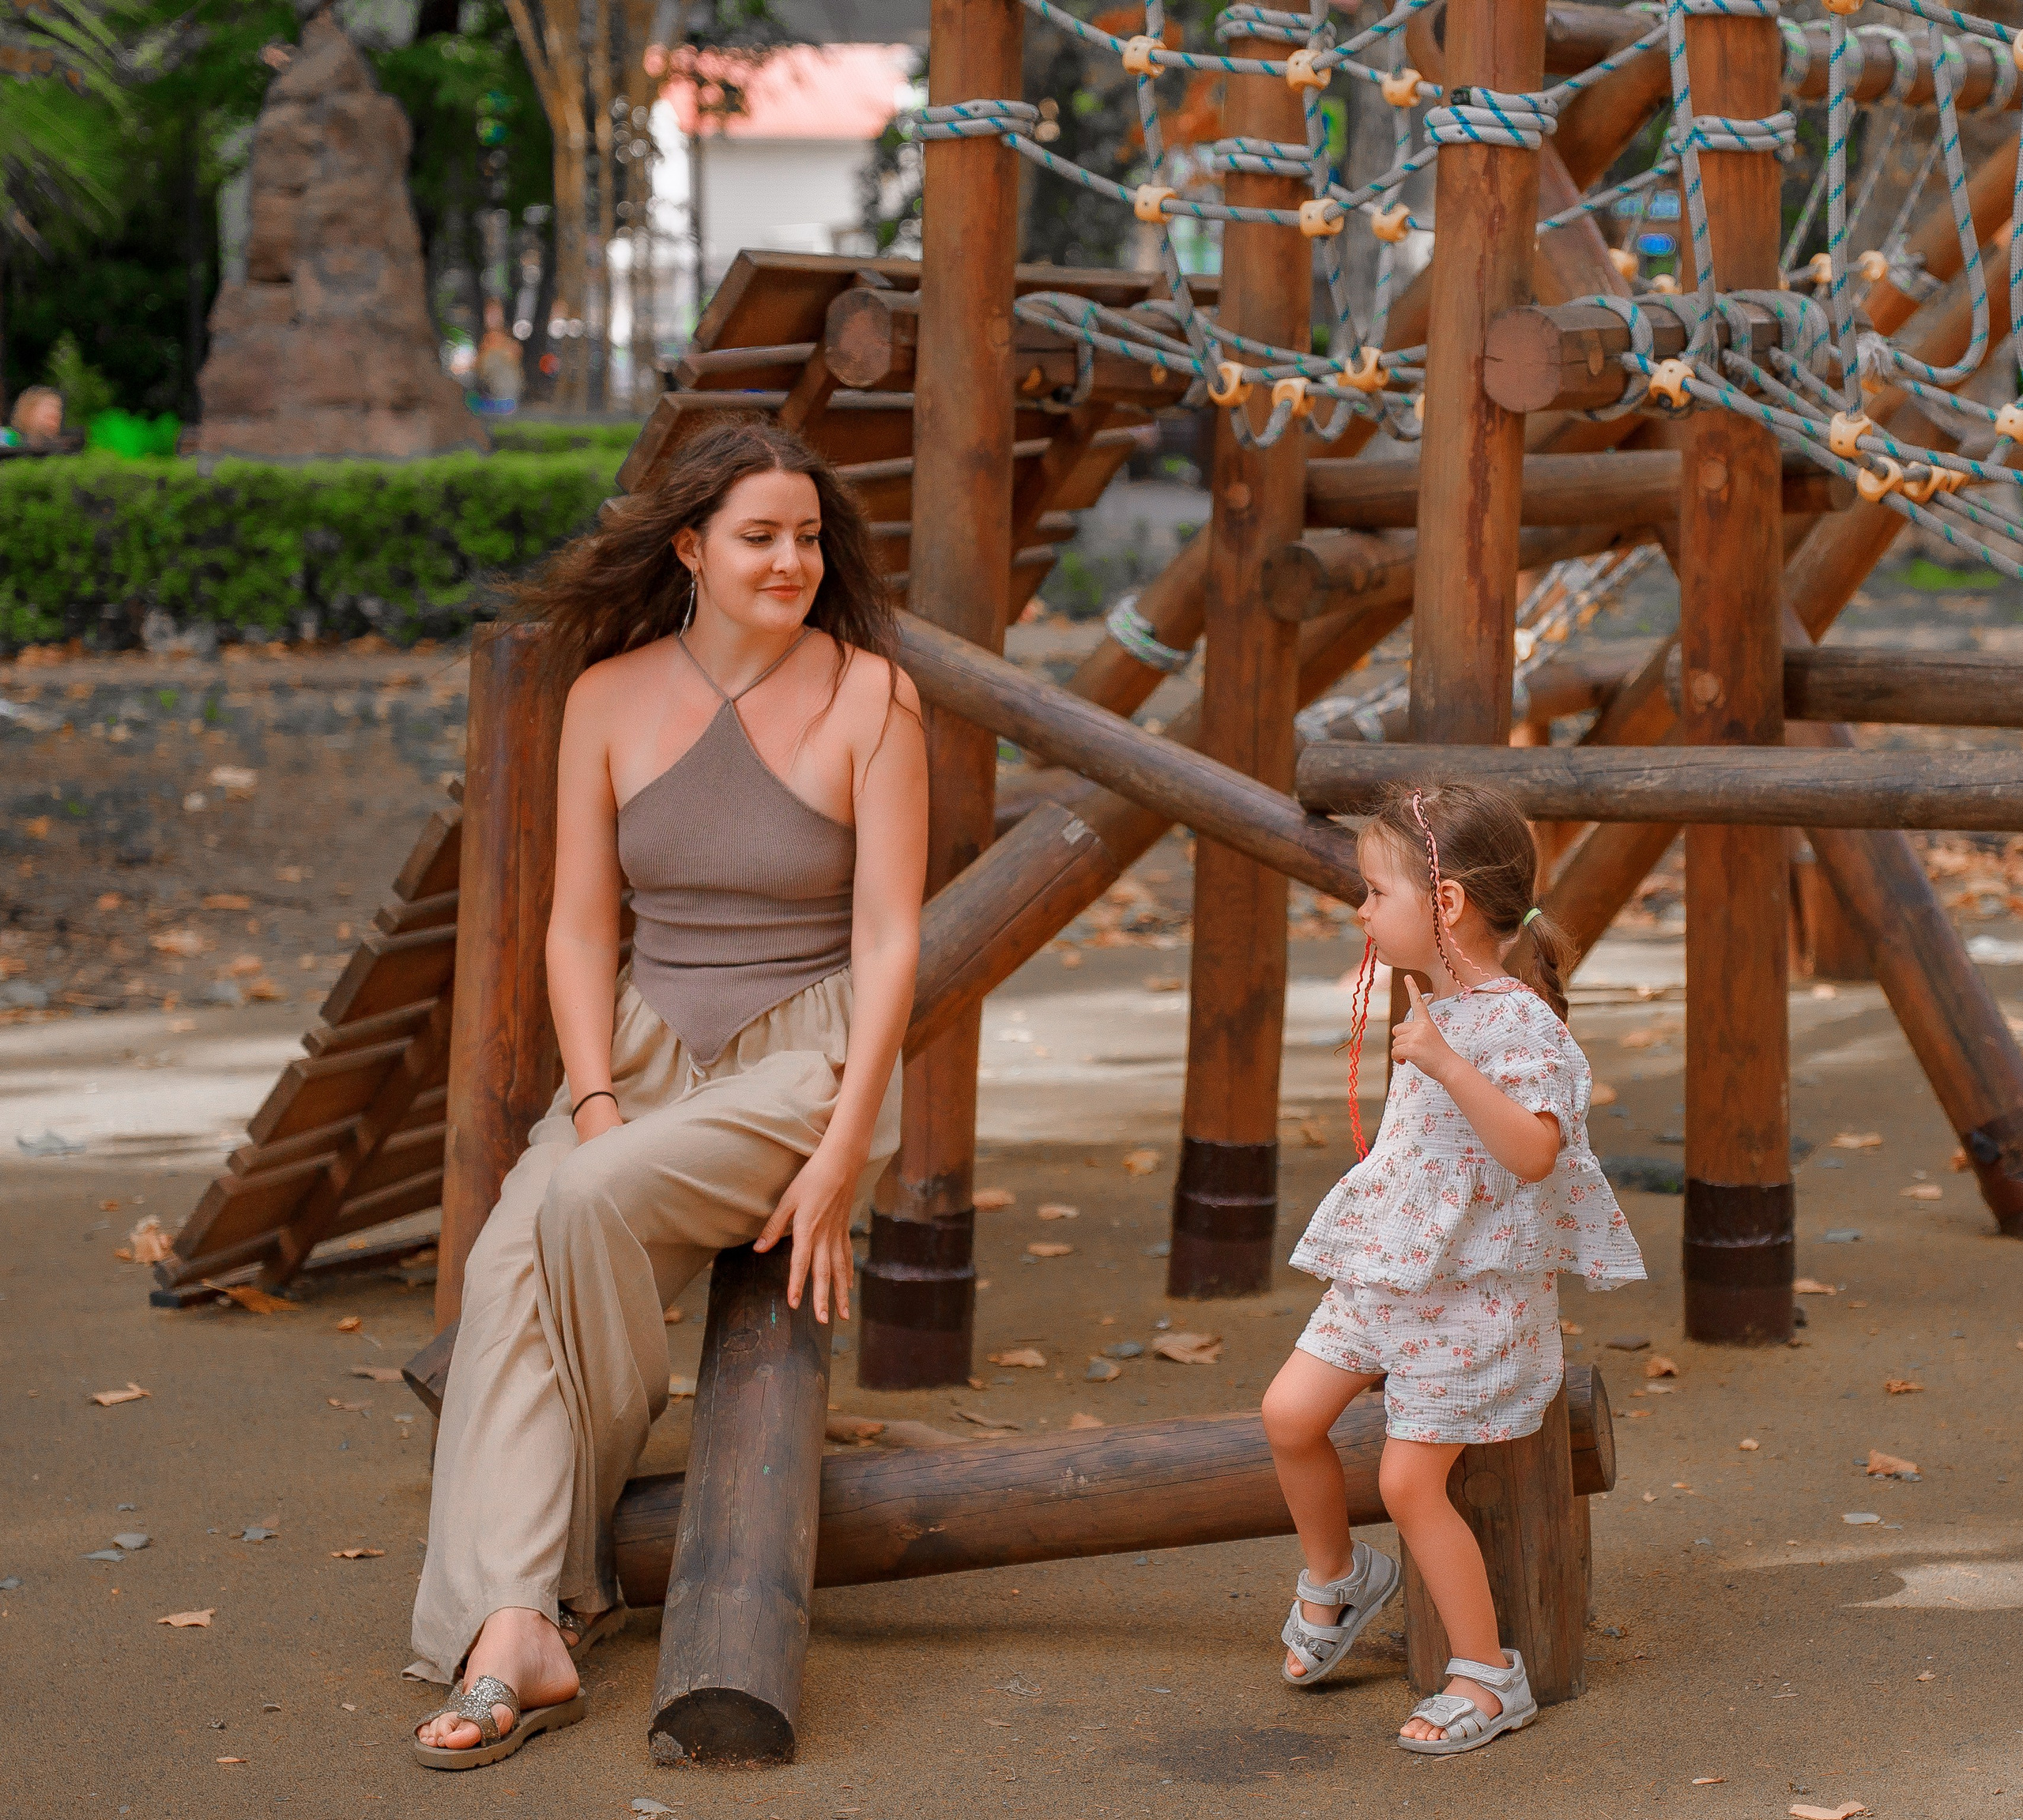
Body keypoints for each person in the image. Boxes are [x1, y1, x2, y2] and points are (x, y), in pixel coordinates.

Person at [409, 416, 927, 1769]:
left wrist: (844, 1147)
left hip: (804, 1069)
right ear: (690, 546)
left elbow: (888, 942)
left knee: (564, 1215)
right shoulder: (607, 696)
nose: (793, 560)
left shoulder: (873, 696)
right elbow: (581, 929)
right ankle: (518, 1622)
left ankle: (526, 1574)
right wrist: (591, 1095)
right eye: (761, 535)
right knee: (512, 1261)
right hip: (637, 1063)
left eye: (809, 535)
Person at [1260, 781, 1644, 1755]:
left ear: (1448, 905)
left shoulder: (1520, 1025)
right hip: (1391, 1273)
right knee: (1288, 1413)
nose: (1359, 912)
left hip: (1472, 1297)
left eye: (1373, 893)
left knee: (1407, 1480)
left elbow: (1532, 1152)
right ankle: (1339, 1578)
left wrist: (1445, 1063)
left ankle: (1487, 1671)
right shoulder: (1437, 998)